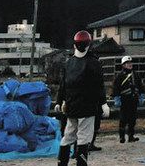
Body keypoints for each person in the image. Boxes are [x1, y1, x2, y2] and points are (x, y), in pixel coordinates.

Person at [55, 30, 108, 166]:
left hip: (72, 105)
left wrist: (59, 101)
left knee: (68, 136)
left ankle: (62, 163)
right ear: (88, 45)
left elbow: (63, 84)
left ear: (75, 45)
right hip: (87, 106)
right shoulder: (93, 62)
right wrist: (103, 103)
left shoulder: (69, 63)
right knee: (83, 138)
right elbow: (99, 85)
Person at [110, 56, 140, 143]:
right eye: (127, 63)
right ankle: (121, 137)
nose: (130, 65)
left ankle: (131, 136)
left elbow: (140, 85)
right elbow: (115, 87)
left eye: (130, 63)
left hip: (133, 99)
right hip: (124, 100)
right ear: (123, 65)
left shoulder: (135, 74)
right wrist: (116, 97)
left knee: (132, 119)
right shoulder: (120, 76)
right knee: (123, 119)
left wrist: (141, 94)